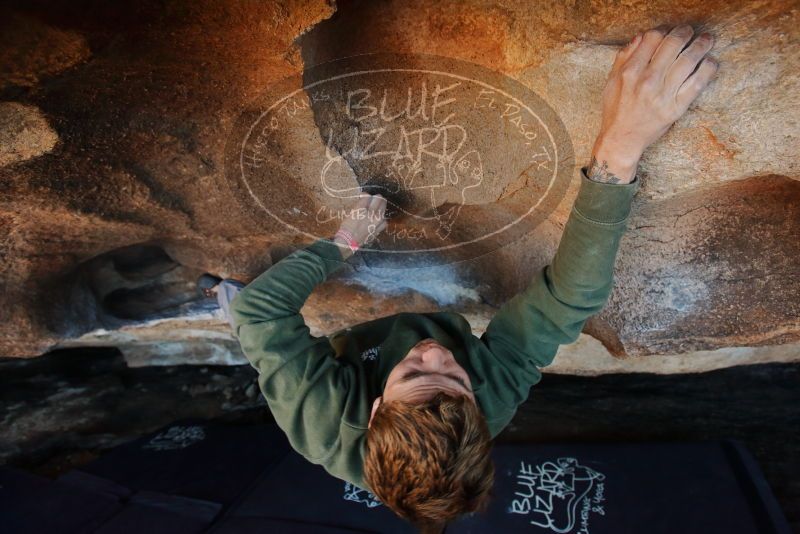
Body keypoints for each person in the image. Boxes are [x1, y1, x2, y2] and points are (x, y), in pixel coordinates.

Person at [199, 25, 718, 532]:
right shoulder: (489, 404)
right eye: (457, 377)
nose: (435, 353)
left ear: (376, 406)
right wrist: (619, 152)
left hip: (340, 354)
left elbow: (261, 312)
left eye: (415, 374)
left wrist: (346, 240)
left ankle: (229, 312)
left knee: (246, 308)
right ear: (477, 408)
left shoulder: (321, 424)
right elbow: (570, 299)